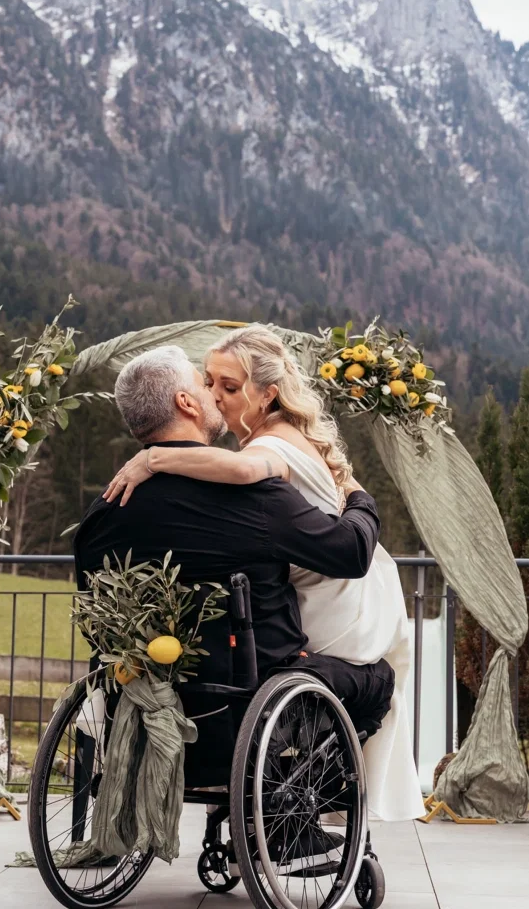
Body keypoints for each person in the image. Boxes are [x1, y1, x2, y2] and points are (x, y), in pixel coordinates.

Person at [104, 327, 424, 822]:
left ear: (268, 393)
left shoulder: (264, 455)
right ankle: (294, 799)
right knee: (348, 681)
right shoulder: (258, 474)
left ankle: (289, 802)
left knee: (315, 672)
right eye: (209, 383)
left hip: (332, 604)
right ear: (186, 401)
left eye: (229, 387)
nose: (215, 395)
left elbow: (243, 471)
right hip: (264, 650)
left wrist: (155, 458)